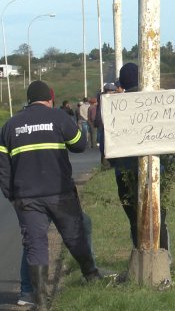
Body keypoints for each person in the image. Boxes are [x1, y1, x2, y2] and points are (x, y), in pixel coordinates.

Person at [0, 80, 101, 310]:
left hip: (26, 197)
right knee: (74, 236)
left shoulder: (10, 125)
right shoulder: (58, 117)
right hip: (59, 192)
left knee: (35, 244)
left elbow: (3, 167)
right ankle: (92, 277)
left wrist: (12, 195)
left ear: (28, 100)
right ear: (49, 99)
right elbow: (80, 144)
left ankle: (41, 301)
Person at [108, 63, 169, 250]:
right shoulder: (159, 102)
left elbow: (109, 148)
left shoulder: (116, 107)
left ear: (124, 83)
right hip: (157, 171)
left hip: (125, 172)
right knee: (158, 219)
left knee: (136, 220)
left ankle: (141, 259)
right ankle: (162, 261)